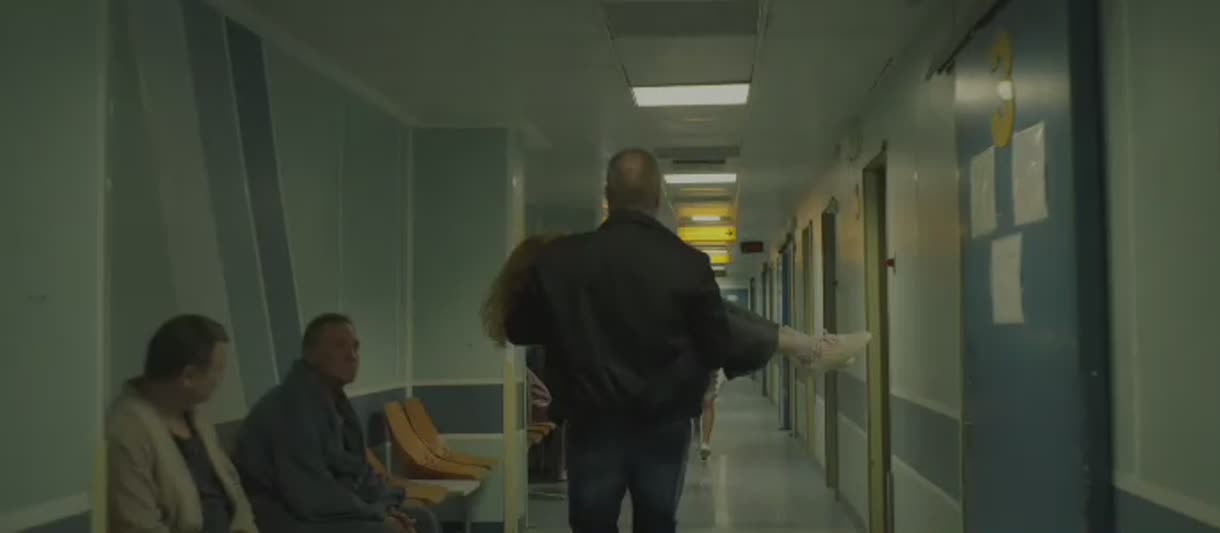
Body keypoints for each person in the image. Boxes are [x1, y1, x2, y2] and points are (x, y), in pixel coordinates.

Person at [497, 149, 870, 533]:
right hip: (662, 424)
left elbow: (518, 329)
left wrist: (576, 322)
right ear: (658, 197)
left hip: (592, 426)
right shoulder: (687, 263)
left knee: (591, 526)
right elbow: (715, 347)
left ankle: (803, 346)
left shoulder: (563, 260)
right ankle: (804, 347)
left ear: (608, 196)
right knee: (657, 524)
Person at [484, 235, 870, 464]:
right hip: (611, 409)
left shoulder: (564, 305)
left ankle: (808, 347)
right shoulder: (550, 311)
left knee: (711, 307)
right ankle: (809, 349)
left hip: (626, 401)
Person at [232, 314, 440, 533]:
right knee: (388, 531)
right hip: (284, 517)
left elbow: (359, 471)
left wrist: (387, 506)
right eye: (340, 346)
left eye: (355, 347)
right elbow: (310, 493)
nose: (352, 356)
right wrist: (378, 515)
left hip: (325, 508)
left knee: (422, 520)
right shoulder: (290, 406)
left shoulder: (336, 403)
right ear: (310, 354)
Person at [104, 314, 258, 533]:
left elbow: (234, 492)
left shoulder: (196, 417)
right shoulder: (125, 432)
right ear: (188, 376)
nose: (220, 379)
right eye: (218, 370)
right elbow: (138, 526)